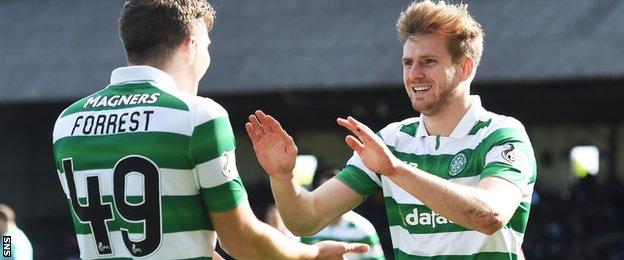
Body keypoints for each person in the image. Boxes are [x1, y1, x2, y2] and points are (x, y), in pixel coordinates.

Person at [51, 0, 367, 259]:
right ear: (190, 45)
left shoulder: (68, 122)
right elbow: (239, 239)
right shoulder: (198, 115)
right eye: (207, 44)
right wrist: (309, 255)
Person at [244, 0, 537, 259]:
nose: (414, 74)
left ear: (465, 68)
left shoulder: (502, 135)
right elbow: (306, 219)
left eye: (429, 61)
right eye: (408, 62)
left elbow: (490, 215)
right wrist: (282, 177)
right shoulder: (393, 141)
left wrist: (396, 170)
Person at [300, 168, 385, 260]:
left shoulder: (362, 229)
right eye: (324, 193)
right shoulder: (306, 228)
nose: (330, 198)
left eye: (335, 193)